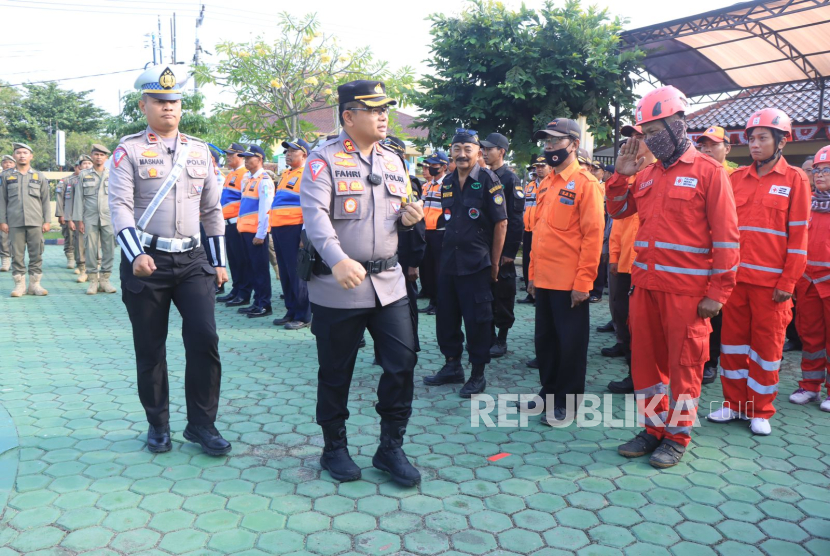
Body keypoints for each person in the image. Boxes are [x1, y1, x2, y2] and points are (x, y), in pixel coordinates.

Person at [607, 85, 739, 468]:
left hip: (687, 294)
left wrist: (718, 291)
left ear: (678, 124)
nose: (648, 140)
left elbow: (727, 237)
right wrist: (620, 177)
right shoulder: (646, 175)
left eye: (654, 131)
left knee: (684, 367)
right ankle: (653, 429)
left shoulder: (709, 172)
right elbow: (617, 211)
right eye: (645, 133)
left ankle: (677, 436)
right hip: (645, 289)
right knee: (645, 366)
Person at [301, 80, 425, 487]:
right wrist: (336, 260)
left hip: (389, 282)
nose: (383, 115)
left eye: (385, 108)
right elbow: (316, 217)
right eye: (373, 109)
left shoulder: (394, 161)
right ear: (348, 117)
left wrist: (410, 217)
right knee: (336, 372)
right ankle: (334, 447)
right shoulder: (323, 160)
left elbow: (400, 209)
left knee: (402, 363)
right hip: (340, 286)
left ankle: (390, 447)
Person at [108, 64, 231, 456]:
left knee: (205, 339)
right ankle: (157, 425)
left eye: (174, 101)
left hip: (193, 260)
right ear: (144, 105)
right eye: (160, 101)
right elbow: (120, 208)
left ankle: (202, 425)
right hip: (146, 261)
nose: (168, 108)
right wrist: (136, 253)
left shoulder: (199, 151)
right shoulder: (128, 150)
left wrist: (220, 262)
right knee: (150, 347)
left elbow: (212, 211)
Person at [707, 108, 810, 436]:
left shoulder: (795, 180)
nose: (754, 144)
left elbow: (799, 238)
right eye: (751, 138)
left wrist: (788, 281)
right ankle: (734, 405)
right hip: (734, 283)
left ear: (781, 142)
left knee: (766, 349)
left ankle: (761, 410)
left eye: (762, 138)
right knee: (732, 345)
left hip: (772, 286)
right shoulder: (735, 179)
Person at [523, 119, 604, 423]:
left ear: (573, 144)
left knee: (570, 345)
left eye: (556, 141)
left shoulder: (586, 184)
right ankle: (549, 391)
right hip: (544, 279)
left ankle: (567, 403)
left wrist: (584, 282)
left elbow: (593, 236)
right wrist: (531, 275)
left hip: (569, 283)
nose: (549, 147)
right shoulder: (546, 182)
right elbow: (539, 233)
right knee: (545, 341)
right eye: (546, 142)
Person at [423, 129, 507, 397]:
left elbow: (501, 223)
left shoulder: (488, 180)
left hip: (476, 263)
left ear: (477, 153)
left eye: (467, 149)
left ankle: (477, 374)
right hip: (448, 261)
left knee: (477, 320)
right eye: (456, 148)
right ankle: (452, 366)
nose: (461, 154)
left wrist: (494, 264)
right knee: (446, 318)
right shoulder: (446, 182)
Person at [605, 124, 652, 394]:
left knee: (644, 327)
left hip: (647, 265)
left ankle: (643, 378)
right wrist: (613, 256)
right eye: (631, 137)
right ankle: (633, 371)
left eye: (641, 136)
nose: (634, 142)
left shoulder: (657, 174)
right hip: (624, 262)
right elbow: (617, 222)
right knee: (622, 317)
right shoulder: (628, 174)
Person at [790, 146, 830, 411]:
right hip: (807, 282)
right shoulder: (807, 203)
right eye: (817, 170)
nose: (820, 175)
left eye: (826, 170)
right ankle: (810, 386)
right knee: (810, 337)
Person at [695, 126, 733, 384]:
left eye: (714, 145)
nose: (707, 150)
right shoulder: (696, 174)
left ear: (727, 149)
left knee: (717, 317)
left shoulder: (736, 177)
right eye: (703, 146)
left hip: (724, 259)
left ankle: (711, 362)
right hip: (698, 261)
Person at [481, 133, 525, 357]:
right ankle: (487, 336)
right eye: (484, 149)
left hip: (503, 248)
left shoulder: (510, 179)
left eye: (490, 149)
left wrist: (509, 252)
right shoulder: (484, 176)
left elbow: (516, 220)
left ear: (502, 152)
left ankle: (502, 338)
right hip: (484, 246)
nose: (485, 152)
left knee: (503, 294)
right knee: (485, 294)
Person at [385, 136, 427, 352]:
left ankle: (411, 346)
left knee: (407, 304)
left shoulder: (407, 184)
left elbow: (418, 227)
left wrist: (414, 263)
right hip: (384, 258)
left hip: (403, 258)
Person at [271, 138, 312, 329]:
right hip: (279, 228)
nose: (287, 154)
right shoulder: (287, 173)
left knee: (297, 273)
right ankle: (291, 309)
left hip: (294, 228)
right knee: (286, 272)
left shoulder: (308, 174)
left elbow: (310, 207)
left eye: (292, 151)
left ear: (304, 154)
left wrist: (305, 235)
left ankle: (303, 315)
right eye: (286, 151)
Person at [0, 142, 51, 297]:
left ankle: (35, 285)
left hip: (35, 222)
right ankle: (19, 285)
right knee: (17, 254)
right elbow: (2, 200)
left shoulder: (39, 176)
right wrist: (3, 220)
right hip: (14, 222)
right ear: (14, 155)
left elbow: (45, 200)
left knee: (36, 254)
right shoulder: (6, 176)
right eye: (19, 152)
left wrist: (47, 220)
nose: (22, 155)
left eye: (25, 153)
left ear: (31, 156)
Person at [236, 145, 275, 318]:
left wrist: (261, 233)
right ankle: (256, 302)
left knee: (260, 270)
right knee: (252, 269)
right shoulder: (249, 179)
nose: (245, 160)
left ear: (259, 159)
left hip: (255, 233)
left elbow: (265, 209)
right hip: (245, 231)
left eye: (249, 157)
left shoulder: (264, 180)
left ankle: (264, 304)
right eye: (244, 157)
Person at [74, 144, 117, 295]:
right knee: (91, 249)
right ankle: (93, 280)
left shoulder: (113, 174)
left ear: (106, 157)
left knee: (109, 249)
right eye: (96, 154)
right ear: (91, 156)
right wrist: (79, 220)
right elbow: (78, 198)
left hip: (109, 217)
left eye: (102, 155)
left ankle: (105, 279)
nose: (99, 157)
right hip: (90, 218)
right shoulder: (84, 174)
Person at [216, 143, 250, 306]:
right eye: (227, 154)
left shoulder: (244, 174)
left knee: (241, 260)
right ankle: (236, 290)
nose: (228, 157)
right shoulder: (231, 174)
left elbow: (245, 201)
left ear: (241, 156)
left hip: (237, 223)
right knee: (233, 259)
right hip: (227, 223)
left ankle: (243, 293)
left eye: (231, 154)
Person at [417, 151, 449, 316]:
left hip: (440, 233)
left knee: (439, 270)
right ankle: (432, 301)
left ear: (444, 167)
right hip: (426, 231)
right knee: (428, 269)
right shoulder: (427, 185)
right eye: (429, 164)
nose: (430, 167)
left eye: (434, 165)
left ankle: (440, 304)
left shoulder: (448, 185)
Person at [519, 153, 548, 306]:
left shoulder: (550, 185)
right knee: (527, 261)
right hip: (528, 229)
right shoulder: (529, 186)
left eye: (543, 166)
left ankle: (540, 295)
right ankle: (530, 293)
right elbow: (524, 207)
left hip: (542, 231)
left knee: (540, 262)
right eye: (537, 167)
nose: (539, 169)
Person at [67, 155, 93, 280]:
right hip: (80, 217)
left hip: (94, 216)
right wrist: (71, 219)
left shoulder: (98, 179)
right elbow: (70, 201)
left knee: (95, 245)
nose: (87, 165)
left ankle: (94, 271)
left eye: (89, 163)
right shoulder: (74, 181)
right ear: (79, 166)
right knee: (80, 244)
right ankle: (82, 269)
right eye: (84, 163)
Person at [55, 170, 76, 269]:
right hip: (68, 213)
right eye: (82, 164)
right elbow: (59, 198)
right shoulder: (66, 181)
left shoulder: (86, 179)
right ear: (77, 167)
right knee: (69, 236)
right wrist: (60, 214)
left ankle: (81, 261)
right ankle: (70, 258)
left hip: (84, 214)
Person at [0, 155, 13, 272]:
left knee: (17, 237)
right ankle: (5, 259)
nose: (8, 165)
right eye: (5, 162)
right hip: (2, 210)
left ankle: (16, 259)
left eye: (10, 162)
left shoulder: (17, 176)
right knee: (3, 235)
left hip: (15, 211)